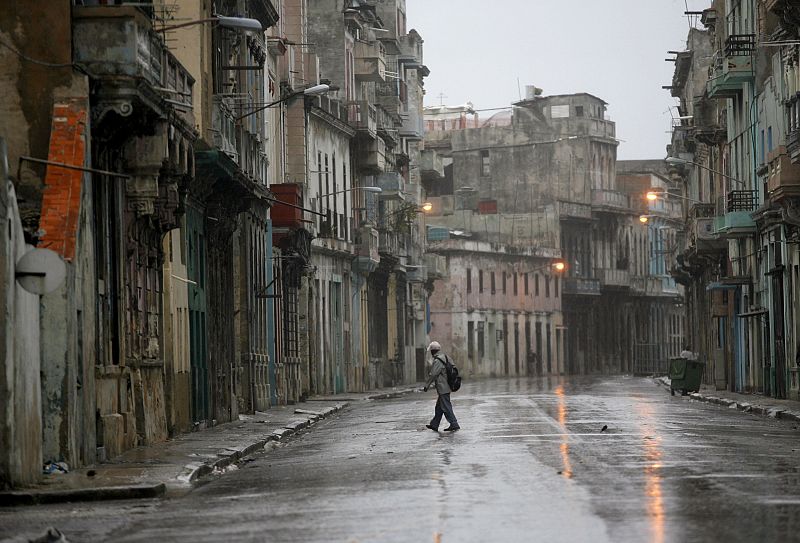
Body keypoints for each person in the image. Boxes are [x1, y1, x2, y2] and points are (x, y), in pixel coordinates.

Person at [423, 341, 460, 432]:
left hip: (443, 387)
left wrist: (426, 386)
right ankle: (434, 424)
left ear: (432, 351)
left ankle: (454, 423)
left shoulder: (438, 360)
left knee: (446, 406)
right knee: (439, 407)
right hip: (447, 386)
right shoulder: (446, 357)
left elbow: (433, 374)